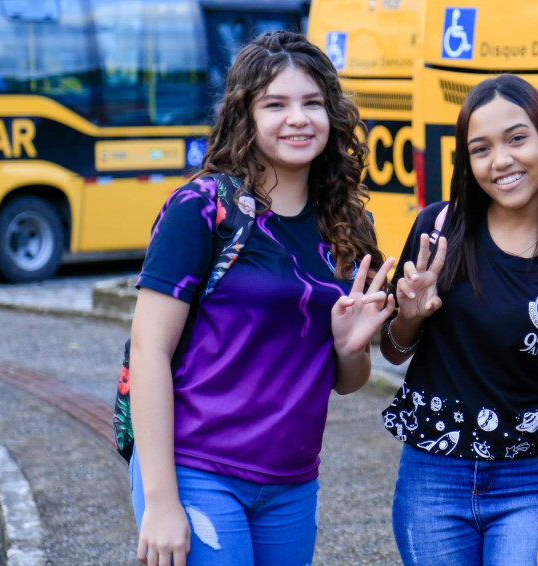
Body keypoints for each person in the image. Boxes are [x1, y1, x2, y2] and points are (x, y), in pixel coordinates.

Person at [128, 31, 395, 566]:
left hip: (293, 481)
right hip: (199, 468)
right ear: (245, 115)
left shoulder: (348, 225)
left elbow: (348, 381)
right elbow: (148, 350)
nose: (298, 118)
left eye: (312, 103)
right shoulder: (202, 208)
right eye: (276, 104)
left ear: (333, 115)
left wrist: (350, 347)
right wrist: (160, 501)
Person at [379, 74, 538, 566]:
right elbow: (393, 350)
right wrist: (407, 318)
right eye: (481, 149)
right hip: (432, 477)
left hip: (531, 482)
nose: (501, 161)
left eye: (517, 138)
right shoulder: (436, 232)